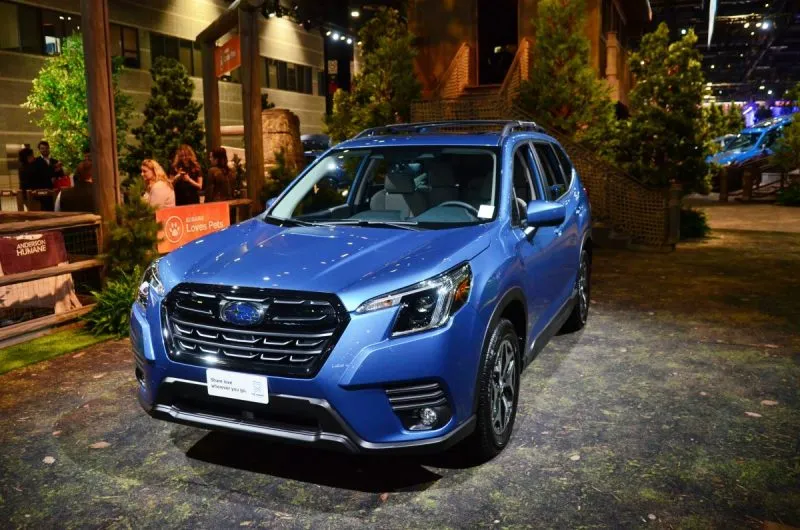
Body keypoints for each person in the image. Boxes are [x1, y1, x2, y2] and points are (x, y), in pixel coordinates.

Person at [30, 140, 57, 210]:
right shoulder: (36, 161)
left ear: (49, 148)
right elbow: (35, 177)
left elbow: (60, 175)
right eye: (42, 148)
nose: (45, 150)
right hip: (42, 192)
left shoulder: (55, 161)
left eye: (46, 148)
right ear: (39, 150)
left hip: (54, 191)